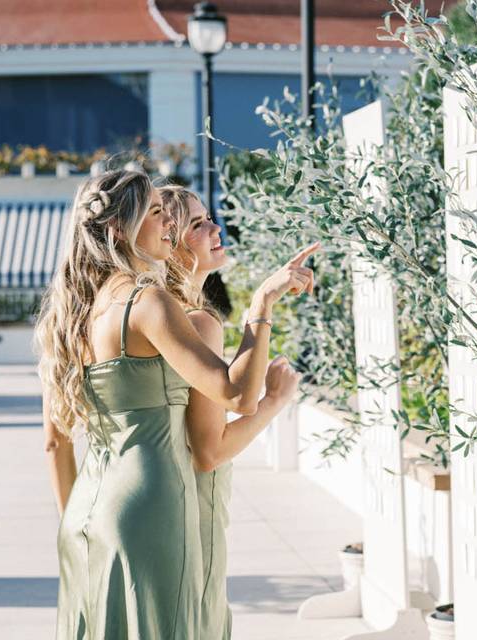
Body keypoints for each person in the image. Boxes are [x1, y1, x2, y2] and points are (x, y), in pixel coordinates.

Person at [36, 169, 319, 639]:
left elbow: (54, 443)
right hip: (152, 505)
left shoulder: (73, 313)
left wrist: (80, 519)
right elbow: (236, 395)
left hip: (87, 510)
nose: (167, 223)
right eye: (156, 213)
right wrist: (260, 307)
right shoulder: (148, 303)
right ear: (117, 231)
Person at [160, 185, 300, 639]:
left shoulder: (164, 314)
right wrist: (274, 402)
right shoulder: (196, 322)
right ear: (170, 241)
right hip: (192, 503)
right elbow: (209, 452)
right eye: (197, 224)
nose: (215, 228)